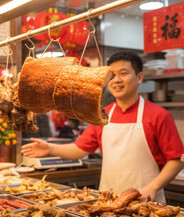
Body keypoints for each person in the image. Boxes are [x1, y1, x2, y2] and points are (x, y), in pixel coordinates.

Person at [22, 51, 184, 203]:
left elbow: (176, 160)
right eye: (112, 75)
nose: (116, 80)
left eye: (124, 73)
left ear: (139, 77)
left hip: (145, 202)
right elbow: (81, 149)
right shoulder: (102, 114)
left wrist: (153, 187)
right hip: (107, 203)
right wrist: (49, 148)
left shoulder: (158, 115)